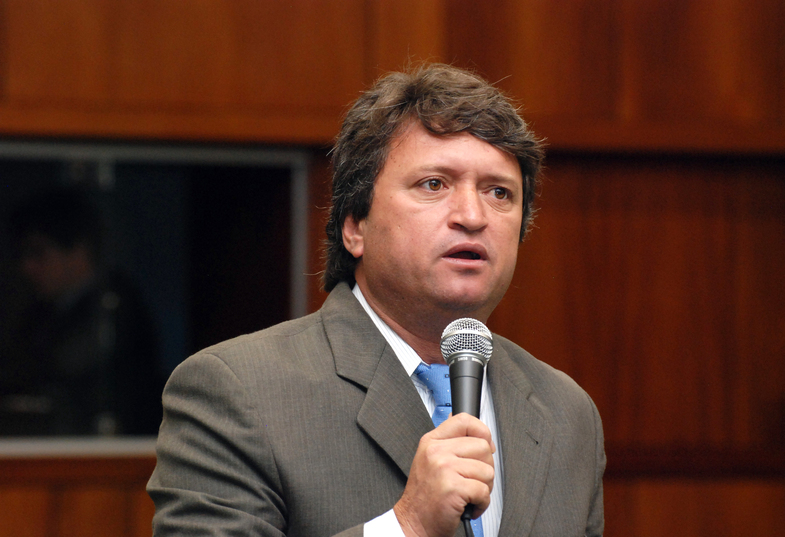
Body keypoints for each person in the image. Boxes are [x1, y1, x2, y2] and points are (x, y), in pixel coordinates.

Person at [148, 63, 605, 536]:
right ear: (355, 226)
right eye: (434, 184)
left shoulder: (566, 412)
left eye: (499, 192)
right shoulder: (238, 392)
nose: (473, 215)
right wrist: (407, 525)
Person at [1, 186, 163, 435]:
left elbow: (59, 374)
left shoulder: (112, 307)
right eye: (23, 255)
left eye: (39, 252)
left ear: (79, 251)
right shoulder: (39, 315)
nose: (27, 267)